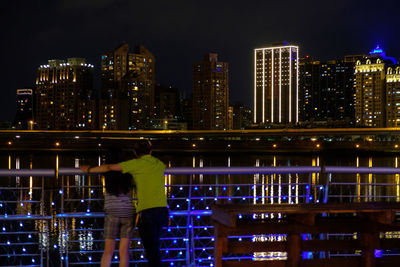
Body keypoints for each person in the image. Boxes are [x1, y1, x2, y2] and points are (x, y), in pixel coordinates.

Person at [81, 140, 168, 267]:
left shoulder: (134, 165)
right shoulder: (159, 164)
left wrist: (89, 169)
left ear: (135, 152)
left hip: (143, 212)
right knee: (149, 249)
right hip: (159, 211)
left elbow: (110, 167)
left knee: (112, 250)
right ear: (151, 151)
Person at [96, 147, 134, 267]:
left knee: (108, 250)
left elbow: (104, 168)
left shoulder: (107, 171)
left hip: (112, 211)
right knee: (124, 252)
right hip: (127, 211)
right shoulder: (127, 170)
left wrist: (88, 169)